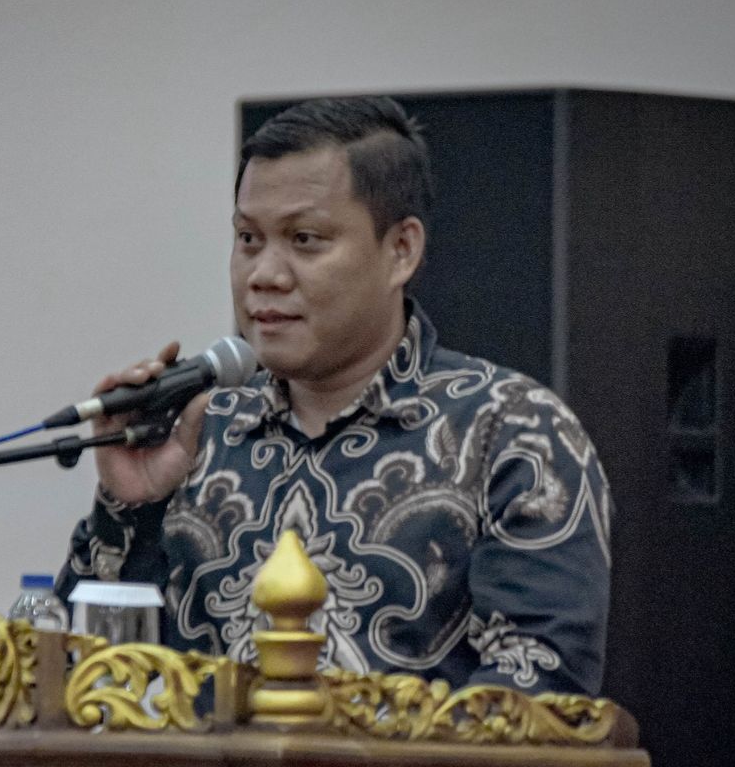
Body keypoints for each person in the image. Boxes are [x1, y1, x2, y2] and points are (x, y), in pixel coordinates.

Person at [58, 96, 610, 695]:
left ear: (401, 250)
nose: (264, 274)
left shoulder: (510, 431)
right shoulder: (200, 429)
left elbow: (537, 696)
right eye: (248, 238)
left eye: (305, 239)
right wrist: (130, 511)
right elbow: (80, 681)